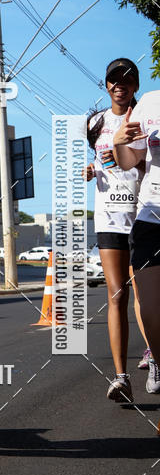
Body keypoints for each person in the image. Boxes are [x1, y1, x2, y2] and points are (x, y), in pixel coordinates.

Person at [84, 58, 148, 402]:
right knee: (116, 294)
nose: (119, 84)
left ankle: (153, 358)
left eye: (126, 79)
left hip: (144, 216)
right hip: (109, 217)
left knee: (145, 295)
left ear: (135, 84)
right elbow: (101, 157)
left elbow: (145, 162)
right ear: (106, 85)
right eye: (113, 79)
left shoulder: (146, 118)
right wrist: (93, 166)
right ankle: (121, 377)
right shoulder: (95, 122)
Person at [113, 84, 160, 398]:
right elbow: (130, 161)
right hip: (151, 214)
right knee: (151, 310)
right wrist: (119, 143)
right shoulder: (151, 102)